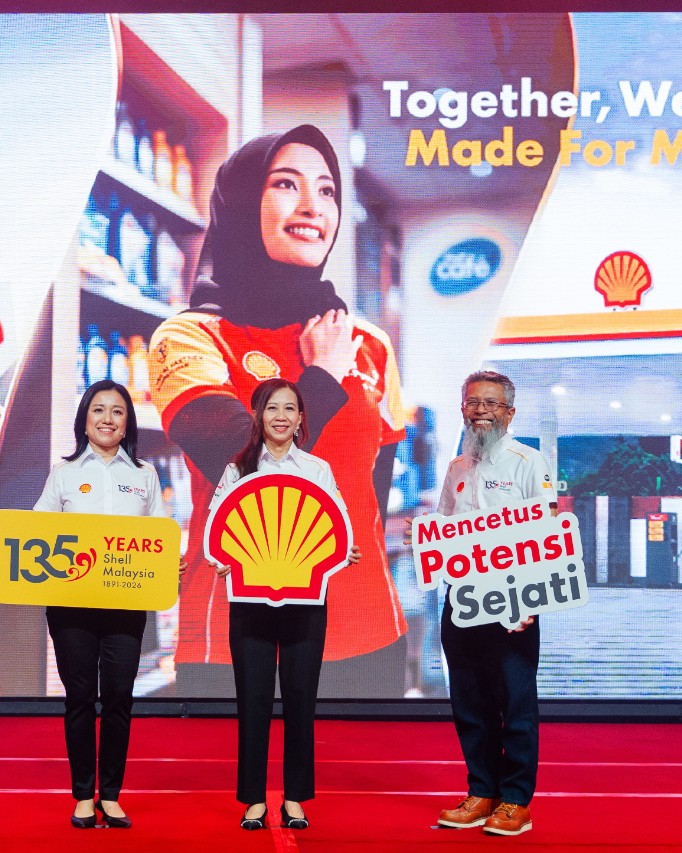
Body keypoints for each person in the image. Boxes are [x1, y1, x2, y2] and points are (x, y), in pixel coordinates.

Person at [149, 124, 407, 698]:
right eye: (286, 184)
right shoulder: (190, 338)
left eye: (327, 190)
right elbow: (244, 476)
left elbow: (369, 497)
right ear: (242, 205)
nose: (313, 206)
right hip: (236, 636)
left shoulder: (369, 343)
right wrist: (321, 377)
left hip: (367, 635)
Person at [211, 378, 361, 830]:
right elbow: (219, 533)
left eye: (289, 408)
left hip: (305, 604)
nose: (280, 416)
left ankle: (295, 797)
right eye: (271, 408)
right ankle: (253, 798)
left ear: (300, 419)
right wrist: (220, 558)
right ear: (258, 417)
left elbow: (338, 528)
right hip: (250, 603)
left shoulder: (318, 470)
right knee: (252, 699)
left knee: (300, 699)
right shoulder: (237, 470)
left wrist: (343, 549)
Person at [33, 380, 177, 830]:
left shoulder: (145, 475)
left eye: (117, 411)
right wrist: (2, 555)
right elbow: (33, 533)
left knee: (117, 698)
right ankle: (81, 795)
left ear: (127, 421)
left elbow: (161, 538)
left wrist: (171, 564)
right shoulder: (63, 474)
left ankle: (110, 795)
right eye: (99, 410)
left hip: (126, 608)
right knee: (79, 698)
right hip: (71, 607)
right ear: (85, 418)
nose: (108, 419)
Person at [432, 370, 556, 837]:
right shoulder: (457, 467)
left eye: (490, 403)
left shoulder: (529, 461)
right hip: (460, 598)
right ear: (462, 408)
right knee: (470, 702)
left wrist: (527, 600)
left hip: (512, 602)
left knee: (515, 702)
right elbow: (443, 528)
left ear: (509, 412)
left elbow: (544, 536)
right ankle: (481, 791)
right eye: (472, 402)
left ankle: (516, 801)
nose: (480, 410)